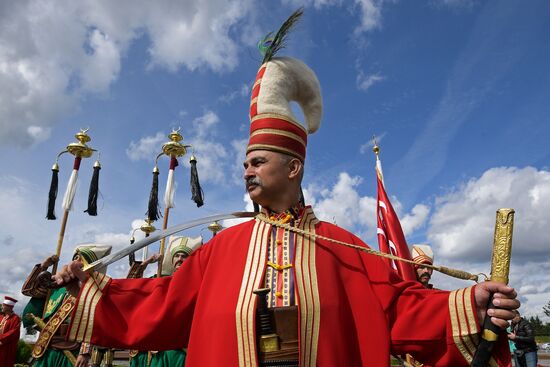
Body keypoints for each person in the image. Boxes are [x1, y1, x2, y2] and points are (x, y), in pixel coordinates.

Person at [54, 14, 519, 367]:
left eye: (257, 162)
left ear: (293, 167)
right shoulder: (221, 249)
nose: (246, 172)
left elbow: (399, 310)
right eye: (245, 163)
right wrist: (87, 288)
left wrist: (469, 302)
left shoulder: (345, 248)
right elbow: (160, 304)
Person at [22, 244, 111, 367]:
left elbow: (94, 322)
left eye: (81, 261)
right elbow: (30, 291)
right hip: (47, 347)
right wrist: (44, 267)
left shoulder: (93, 292)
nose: (75, 263)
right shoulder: (58, 285)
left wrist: (85, 351)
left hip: (72, 351)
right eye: (75, 258)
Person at [0, 296, 21, 366]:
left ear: (9, 307)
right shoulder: (1, 316)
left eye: (4, 305)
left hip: (6, 346)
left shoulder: (16, 319)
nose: (2, 306)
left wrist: (1, 339)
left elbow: (13, 332)